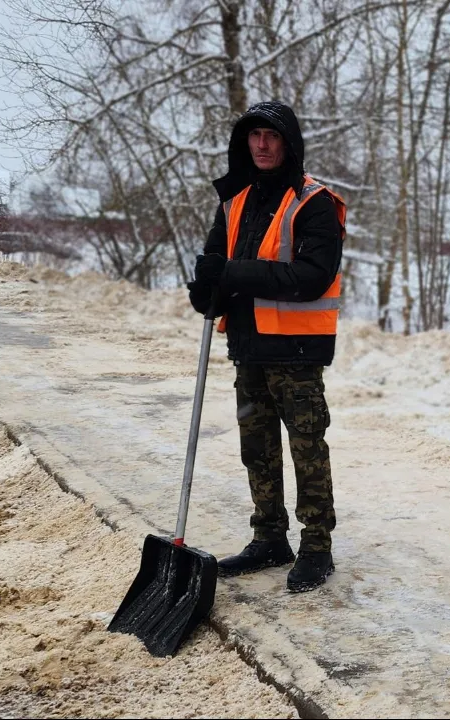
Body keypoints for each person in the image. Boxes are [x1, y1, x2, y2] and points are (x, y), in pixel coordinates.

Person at [186, 100, 345, 593]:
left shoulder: (315, 202)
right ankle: (269, 536)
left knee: (306, 448)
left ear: (289, 143)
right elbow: (218, 260)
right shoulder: (234, 200)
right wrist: (206, 289)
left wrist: (230, 273)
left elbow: (310, 277)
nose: (261, 145)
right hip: (249, 346)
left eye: (271, 136)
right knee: (256, 448)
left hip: (296, 350)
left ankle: (317, 545)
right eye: (253, 135)